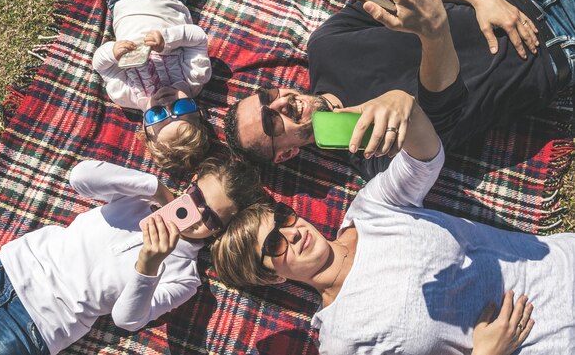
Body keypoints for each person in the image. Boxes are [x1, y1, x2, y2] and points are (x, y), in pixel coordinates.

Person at [213, 92, 575, 355]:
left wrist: (405, 105)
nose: (291, 233)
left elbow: (425, 159)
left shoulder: (370, 210)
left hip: (563, 264)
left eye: (283, 217)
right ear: (273, 276)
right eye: (274, 245)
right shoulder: (342, 342)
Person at [224, 0, 574, 180]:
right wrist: (432, 31)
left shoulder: (324, 45)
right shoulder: (376, 156)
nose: (281, 103)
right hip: (556, 47)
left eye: (268, 96)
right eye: (271, 122)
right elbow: (444, 107)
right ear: (284, 154)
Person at [0, 157, 264, 355]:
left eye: (210, 218)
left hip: (38, 325)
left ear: (220, 232)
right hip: (3, 272)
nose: (195, 213)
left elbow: (128, 320)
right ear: (190, 184)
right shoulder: (138, 199)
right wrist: (152, 186)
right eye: (195, 197)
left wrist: (148, 266)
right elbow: (80, 177)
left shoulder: (184, 277)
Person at [93, 0, 212, 173]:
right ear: (198, 111)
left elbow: (101, 66)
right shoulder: (195, 79)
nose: (167, 103)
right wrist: (168, 41)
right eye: (181, 109)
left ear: (144, 127)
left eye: (158, 114)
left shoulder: (126, 95)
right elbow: (198, 39)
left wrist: (113, 53)